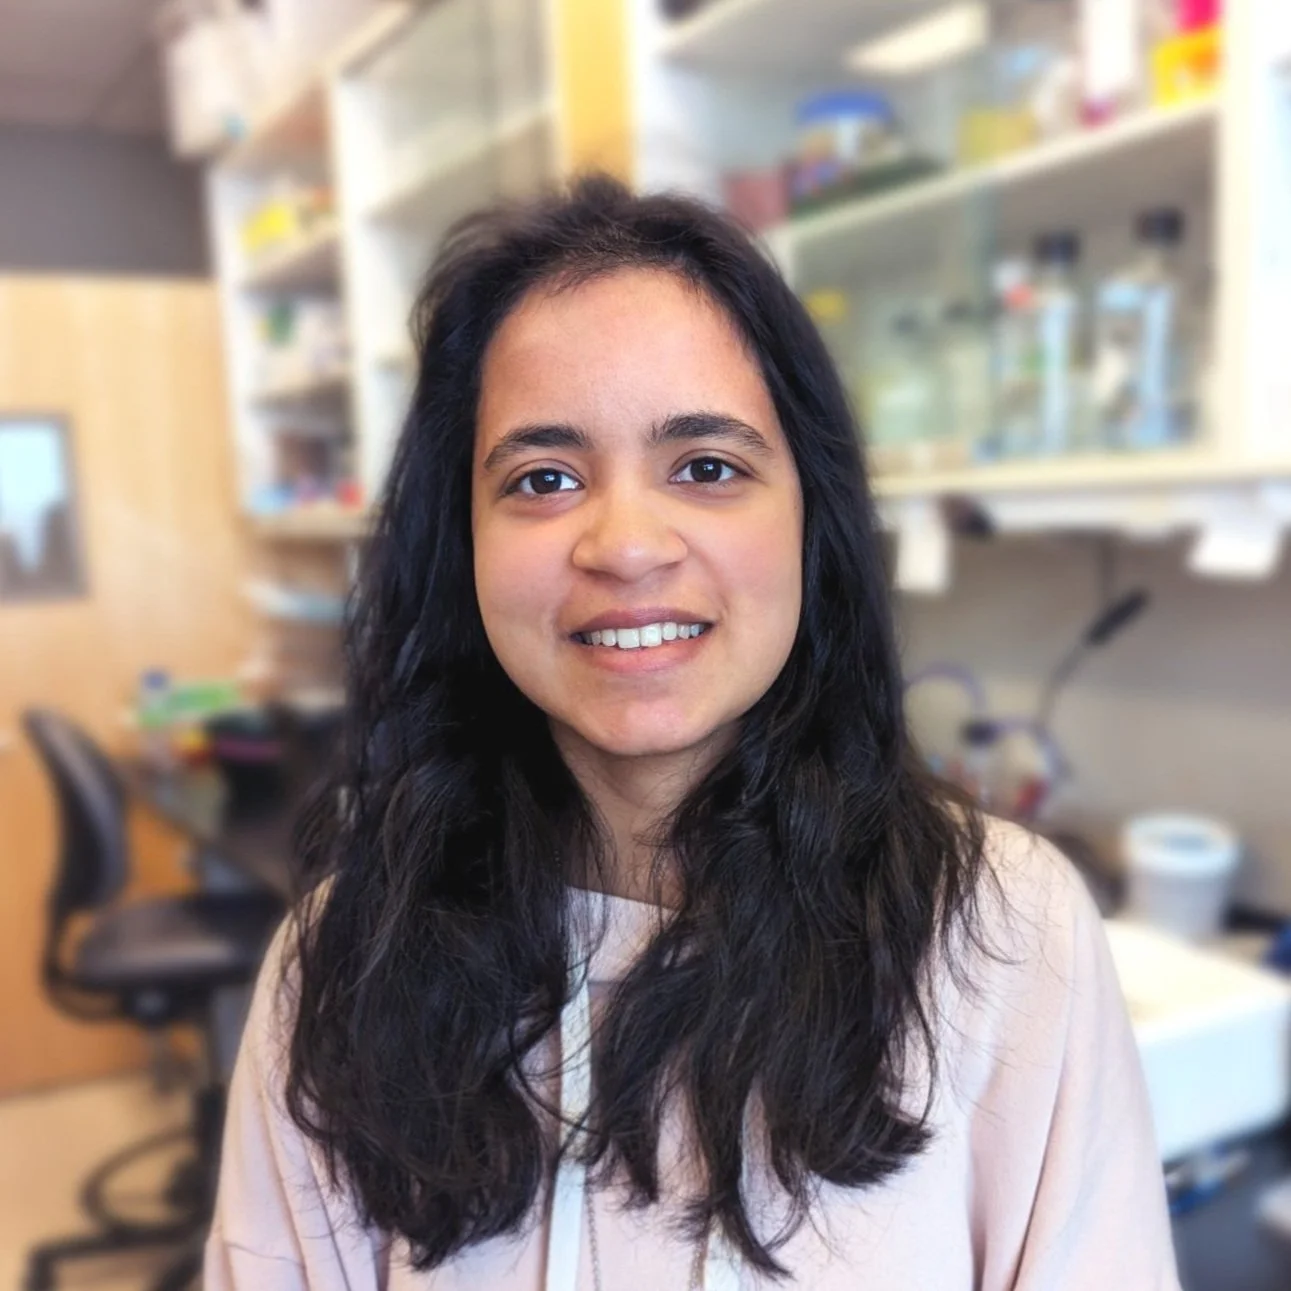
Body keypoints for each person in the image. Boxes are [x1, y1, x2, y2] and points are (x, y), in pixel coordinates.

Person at [206, 177, 1179, 1290]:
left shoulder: (1006, 935)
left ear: (811, 519)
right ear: (457, 545)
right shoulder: (345, 958)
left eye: (707, 466)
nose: (624, 543)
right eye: (544, 477)